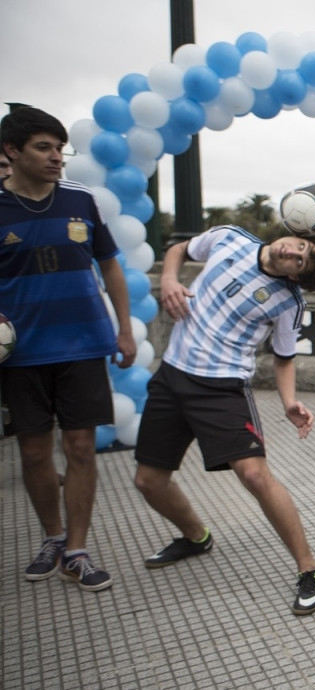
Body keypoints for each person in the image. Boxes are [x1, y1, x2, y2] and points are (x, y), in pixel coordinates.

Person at [131, 219, 315, 615]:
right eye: (301, 247)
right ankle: (196, 537)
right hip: (172, 375)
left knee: (254, 474)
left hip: (222, 388)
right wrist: (169, 280)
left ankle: (310, 569)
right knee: (148, 481)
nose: (295, 253)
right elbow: (180, 249)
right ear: (298, 235)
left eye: (303, 262)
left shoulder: (288, 302)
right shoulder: (229, 238)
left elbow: (284, 357)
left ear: (299, 277)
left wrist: (289, 402)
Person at [0, 107, 137, 592]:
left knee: (81, 447)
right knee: (35, 453)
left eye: (61, 148)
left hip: (83, 346)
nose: (58, 157)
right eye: (44, 147)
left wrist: (124, 329)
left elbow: (112, 267)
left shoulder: (81, 200)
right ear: (11, 152)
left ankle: (77, 550)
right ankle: (52, 538)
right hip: (22, 354)